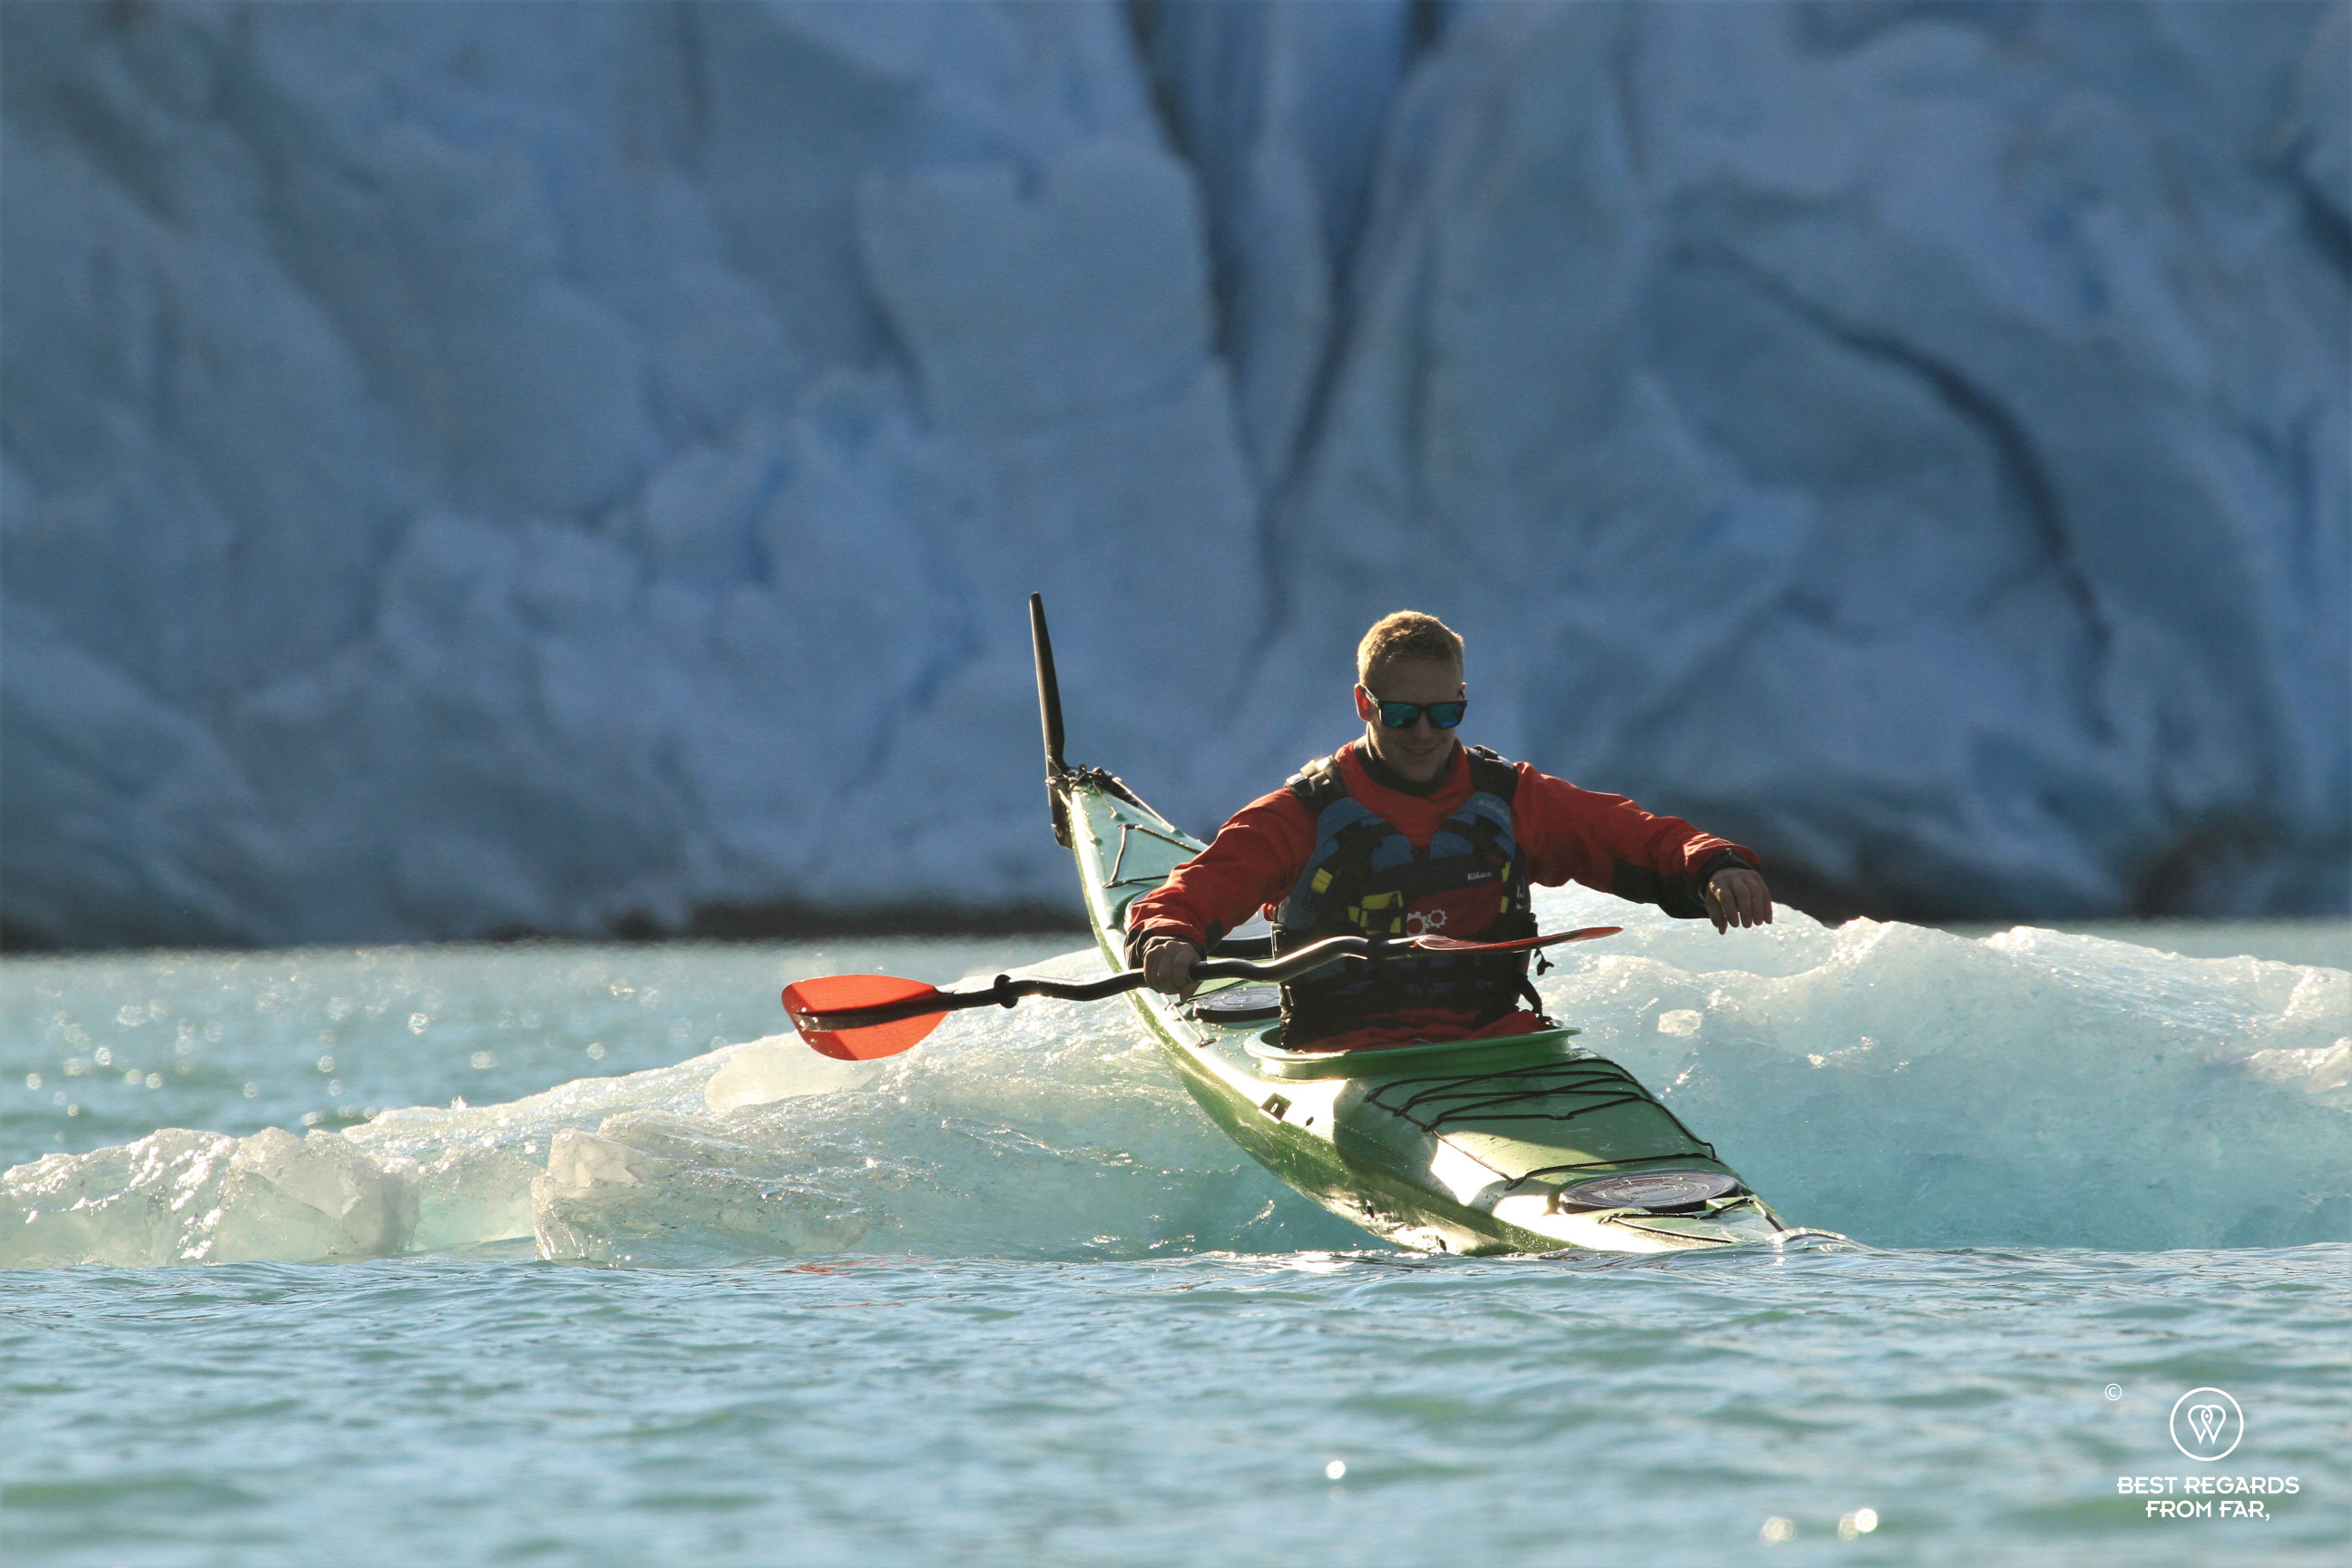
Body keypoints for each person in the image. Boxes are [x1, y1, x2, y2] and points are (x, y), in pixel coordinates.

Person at [1126, 612, 1773, 1053]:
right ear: (1364, 705)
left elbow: (1627, 834)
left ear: (1463, 700)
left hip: (1492, 1045)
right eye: (1402, 714)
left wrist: (1713, 864)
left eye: (1445, 712)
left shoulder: (1510, 798)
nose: (1425, 733)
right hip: (1345, 1058)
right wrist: (1166, 934)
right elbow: (1202, 886)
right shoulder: (1303, 813)